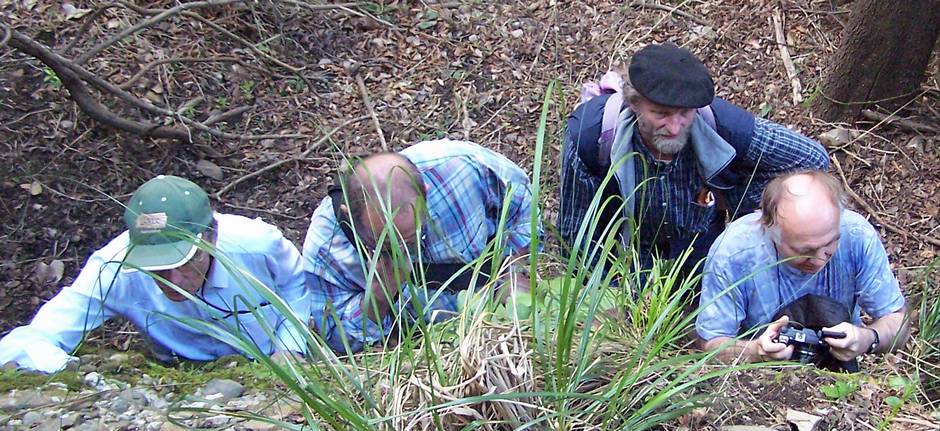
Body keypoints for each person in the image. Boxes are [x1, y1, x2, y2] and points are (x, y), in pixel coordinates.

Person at [558, 43, 830, 276]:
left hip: (701, 246)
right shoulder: (592, 135)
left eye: (684, 114)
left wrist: (743, 212)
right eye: (661, 114)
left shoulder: (723, 125)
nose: (674, 128)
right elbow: (575, 235)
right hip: (623, 251)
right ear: (634, 102)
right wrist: (610, 296)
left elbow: (811, 158)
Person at [0, 175, 310, 373]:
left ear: (211, 238)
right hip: (179, 372)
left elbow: (297, 283)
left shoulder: (257, 245)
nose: (171, 280)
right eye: (155, 267)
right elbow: (35, 336)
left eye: (184, 262)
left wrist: (290, 347)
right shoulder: (115, 267)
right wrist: (63, 367)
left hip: (265, 364)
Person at [302, 140, 541, 354]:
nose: (404, 247)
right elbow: (335, 339)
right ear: (349, 216)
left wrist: (514, 271)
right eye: (386, 241)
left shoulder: (458, 169)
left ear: (425, 192)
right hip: (413, 354)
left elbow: (522, 206)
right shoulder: (327, 246)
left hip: (495, 325)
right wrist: (380, 294)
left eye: (412, 233)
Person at [696, 170, 909, 367]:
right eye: (805, 251)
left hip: (841, 377)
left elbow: (898, 322)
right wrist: (756, 351)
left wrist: (867, 339)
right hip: (758, 378)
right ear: (771, 231)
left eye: (830, 243)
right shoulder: (735, 252)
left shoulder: (857, 235)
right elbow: (711, 344)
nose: (819, 259)